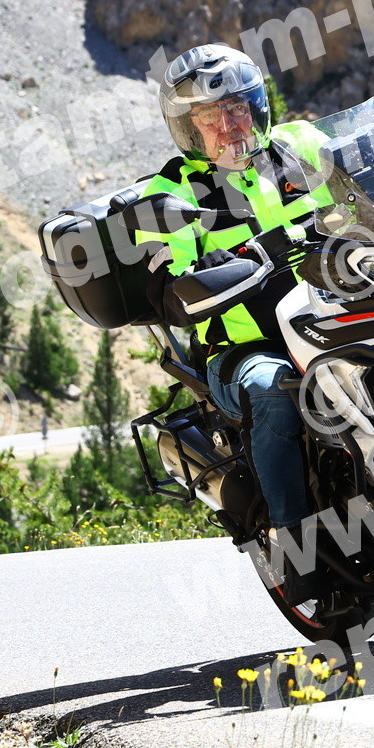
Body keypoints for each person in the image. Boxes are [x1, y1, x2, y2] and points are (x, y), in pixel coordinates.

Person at [140, 43, 330, 601]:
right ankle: (296, 543)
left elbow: (371, 182)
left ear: (257, 107)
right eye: (209, 116)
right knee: (273, 387)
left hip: (335, 315)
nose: (228, 125)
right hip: (246, 348)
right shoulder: (169, 195)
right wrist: (202, 273)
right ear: (188, 129)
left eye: (237, 108)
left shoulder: (300, 145)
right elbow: (167, 286)